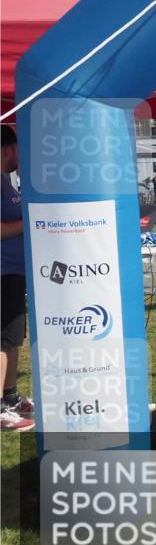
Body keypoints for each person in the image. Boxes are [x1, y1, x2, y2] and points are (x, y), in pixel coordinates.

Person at [1, 126, 33, 431]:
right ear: (8, 149)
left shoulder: (7, 181)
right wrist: (27, 222)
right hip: (3, 271)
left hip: (13, 271)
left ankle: (9, 396)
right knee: (3, 339)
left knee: (12, 338)